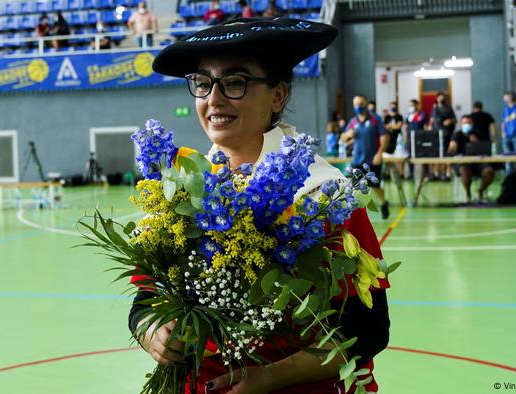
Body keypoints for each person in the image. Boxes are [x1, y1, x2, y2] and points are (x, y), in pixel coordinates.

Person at [131, 18, 390, 393]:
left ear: (278, 95)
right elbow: (145, 298)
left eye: (235, 83)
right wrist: (151, 330)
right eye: (203, 84)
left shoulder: (324, 196)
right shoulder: (179, 188)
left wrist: (268, 377)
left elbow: (368, 330)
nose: (213, 99)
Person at [341, 95, 390, 220]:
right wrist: (348, 134)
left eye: (361, 103)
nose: (358, 107)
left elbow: (384, 137)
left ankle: (384, 203)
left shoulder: (375, 120)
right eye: (355, 104)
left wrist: (379, 153)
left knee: (375, 186)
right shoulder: (353, 122)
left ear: (366, 104)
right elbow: (343, 137)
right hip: (357, 161)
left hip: (372, 160)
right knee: (355, 188)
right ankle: (358, 213)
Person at [447, 115, 495, 203]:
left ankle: (480, 190)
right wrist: (453, 147)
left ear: (472, 124)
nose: (467, 125)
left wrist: (477, 143)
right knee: (465, 170)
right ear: (461, 124)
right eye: (465, 123)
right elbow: (450, 151)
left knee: (489, 171)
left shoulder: (477, 133)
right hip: (462, 163)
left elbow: (485, 149)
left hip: (477, 163)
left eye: (469, 123)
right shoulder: (457, 135)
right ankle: (468, 194)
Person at [429, 92, 456, 180]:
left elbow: (455, 119)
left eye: (443, 97)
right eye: (439, 97)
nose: (441, 99)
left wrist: (450, 121)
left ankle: (446, 173)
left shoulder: (449, 108)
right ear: (437, 99)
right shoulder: (435, 109)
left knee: (446, 154)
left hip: (447, 134)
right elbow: (433, 120)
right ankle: (436, 173)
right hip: (437, 134)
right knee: (436, 154)